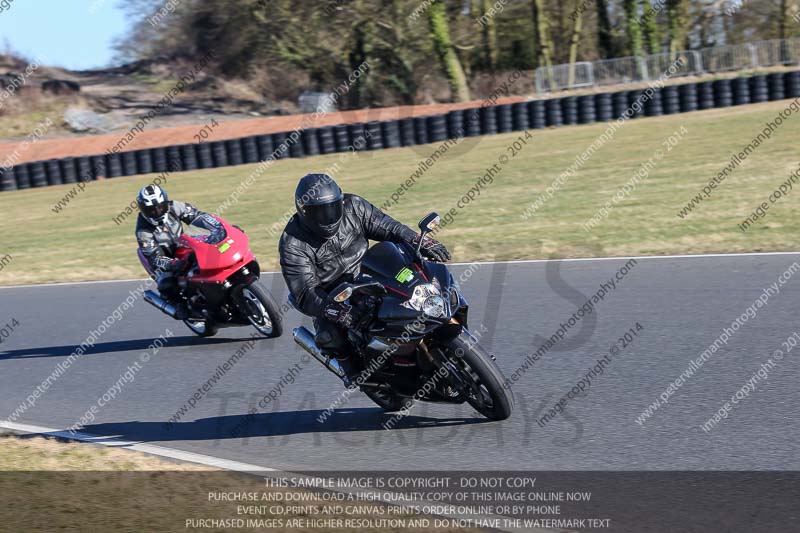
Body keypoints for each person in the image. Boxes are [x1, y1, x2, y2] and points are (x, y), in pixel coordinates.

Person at [279, 173, 450, 379]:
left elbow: (389, 227)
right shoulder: (292, 243)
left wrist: (419, 241)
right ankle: (353, 373)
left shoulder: (354, 206)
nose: (329, 217)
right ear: (304, 212)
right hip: (334, 295)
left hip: (374, 271)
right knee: (329, 336)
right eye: (320, 213)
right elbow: (306, 293)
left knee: (427, 278)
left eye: (333, 208)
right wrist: (338, 312)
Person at [135, 184, 207, 319]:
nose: (157, 212)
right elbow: (153, 257)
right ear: (143, 210)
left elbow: (199, 216)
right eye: (151, 210)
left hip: (183, 245)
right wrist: (173, 263)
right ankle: (179, 306)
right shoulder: (143, 231)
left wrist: (222, 227)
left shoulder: (175, 206)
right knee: (167, 284)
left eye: (160, 207)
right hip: (163, 259)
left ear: (166, 202)